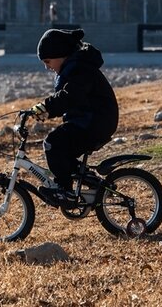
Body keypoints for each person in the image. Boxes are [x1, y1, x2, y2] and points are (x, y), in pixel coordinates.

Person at [29, 27, 119, 208]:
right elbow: (69, 99)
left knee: (53, 143)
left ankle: (65, 191)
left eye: (47, 61)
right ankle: (90, 180)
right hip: (91, 120)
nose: (47, 67)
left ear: (61, 55)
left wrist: (47, 106)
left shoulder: (80, 69)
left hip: (95, 122)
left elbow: (71, 96)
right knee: (64, 150)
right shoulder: (75, 66)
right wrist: (47, 110)